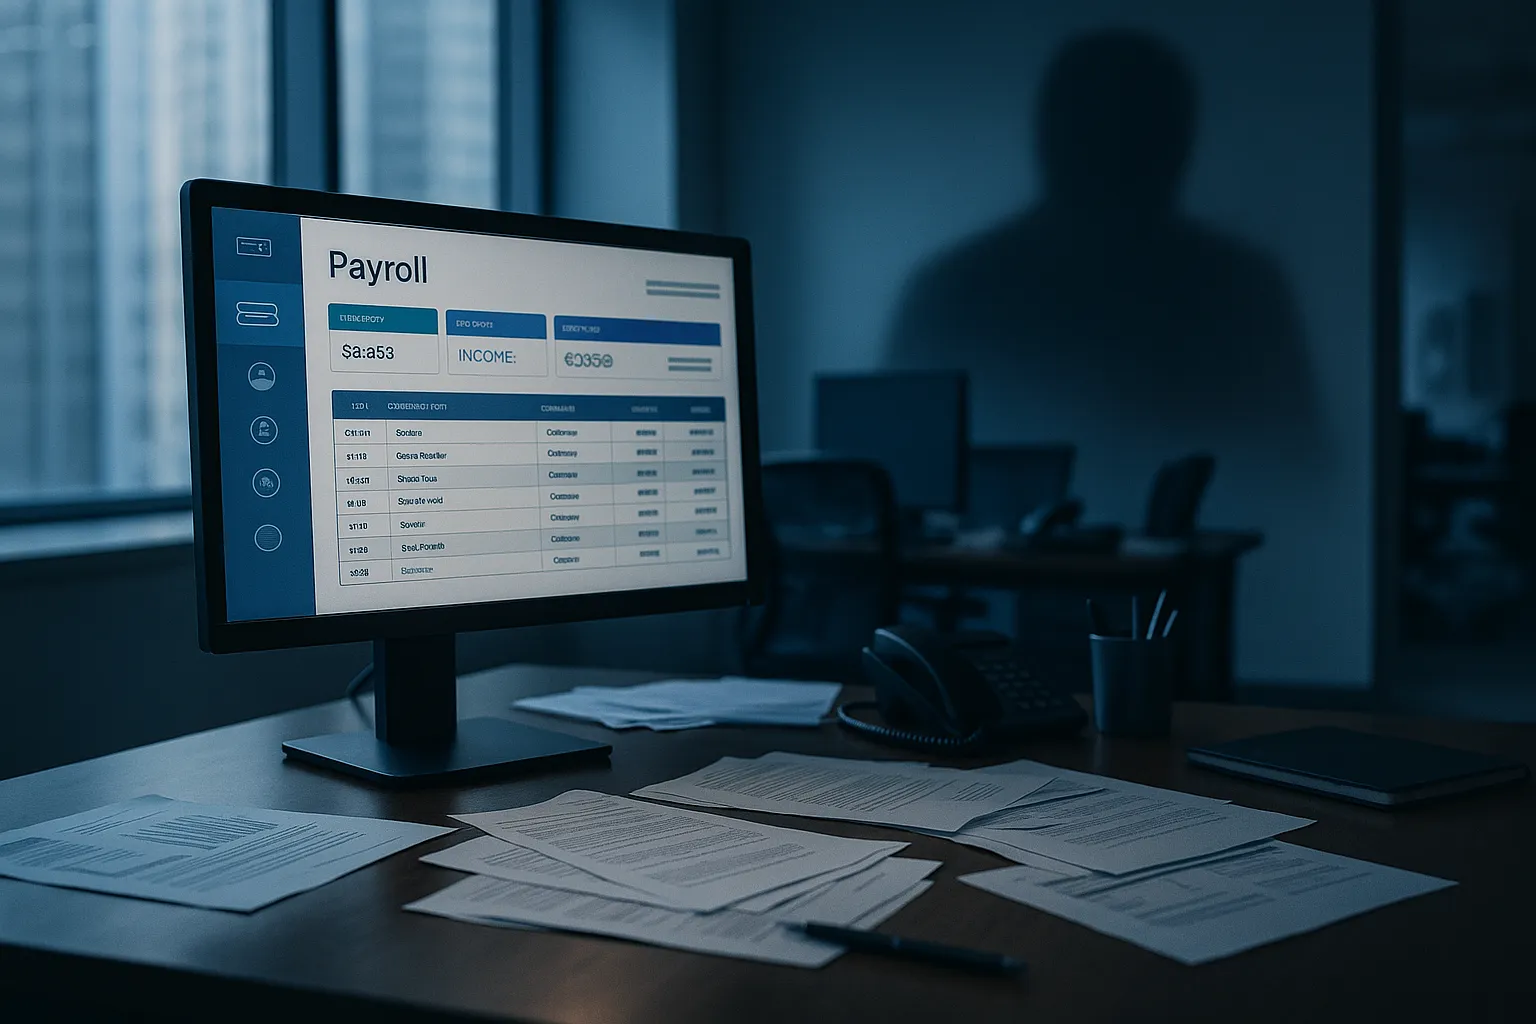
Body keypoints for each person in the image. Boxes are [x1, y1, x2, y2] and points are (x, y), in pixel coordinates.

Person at [886, 29, 1316, 525]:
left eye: (1131, 134)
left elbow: (1299, 466)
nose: (1112, 160)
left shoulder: (952, 288)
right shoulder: (1243, 287)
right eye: (1096, 135)